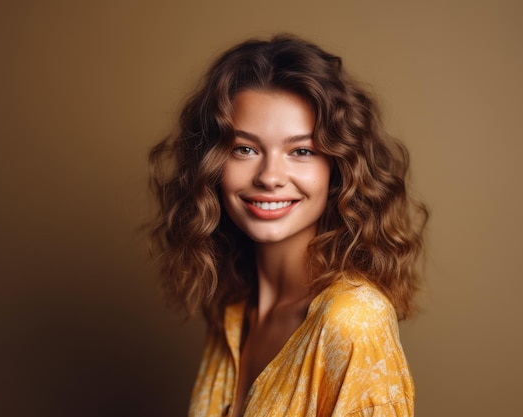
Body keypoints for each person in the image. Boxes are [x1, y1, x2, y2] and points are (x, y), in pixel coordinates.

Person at [147, 34, 428, 417]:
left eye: (302, 151)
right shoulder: (233, 310)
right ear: (210, 166)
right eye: (244, 148)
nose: (270, 177)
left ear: (338, 168)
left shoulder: (352, 321)